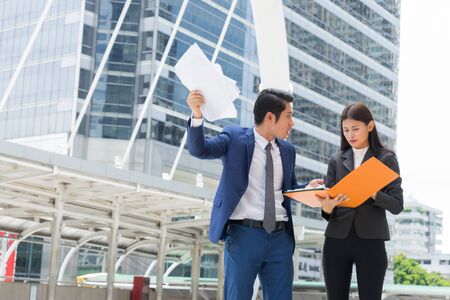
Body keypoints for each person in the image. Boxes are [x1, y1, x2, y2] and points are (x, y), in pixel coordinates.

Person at [186, 88, 323, 300]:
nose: (292, 123)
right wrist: (197, 115)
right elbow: (200, 150)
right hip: (244, 235)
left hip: (280, 238)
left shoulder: (287, 151)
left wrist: (307, 188)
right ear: (270, 117)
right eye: (288, 116)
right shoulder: (234, 138)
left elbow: (288, 188)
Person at [319, 102, 403, 300]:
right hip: (336, 240)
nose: (350, 135)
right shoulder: (336, 159)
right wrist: (327, 207)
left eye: (355, 129)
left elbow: (397, 205)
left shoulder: (386, 159)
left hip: (371, 241)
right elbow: (326, 208)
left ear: (370, 126)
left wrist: (374, 193)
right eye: (346, 130)